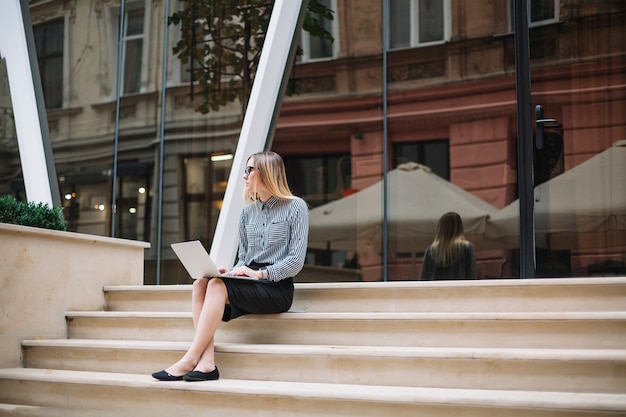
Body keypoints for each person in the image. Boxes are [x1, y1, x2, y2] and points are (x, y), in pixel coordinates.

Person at [152, 151, 309, 381]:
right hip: (250, 281)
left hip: (276, 288)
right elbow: (245, 257)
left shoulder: (296, 207)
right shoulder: (247, 213)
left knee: (216, 286)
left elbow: (295, 262)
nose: (244, 176)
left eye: (249, 170)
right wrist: (234, 271)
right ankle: (206, 363)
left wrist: (259, 274)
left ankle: (189, 359)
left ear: (266, 172)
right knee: (201, 284)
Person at [419, 212, 477, 280]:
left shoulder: (430, 250)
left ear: (440, 228)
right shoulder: (467, 248)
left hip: (435, 290)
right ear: (460, 227)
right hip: (459, 290)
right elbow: (472, 276)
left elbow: (423, 279)